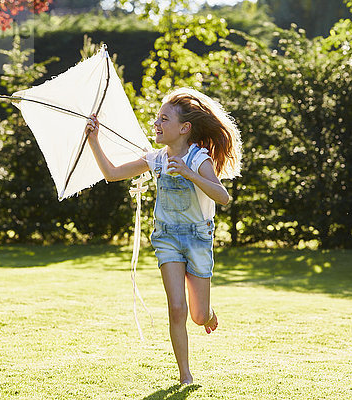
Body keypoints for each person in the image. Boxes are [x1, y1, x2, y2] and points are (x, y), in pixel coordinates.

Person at [84, 87, 242, 385]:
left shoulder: (198, 158)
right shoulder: (155, 159)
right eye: (157, 117)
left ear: (184, 128)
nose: (156, 123)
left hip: (197, 239)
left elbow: (223, 197)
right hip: (167, 238)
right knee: (176, 308)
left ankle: (208, 312)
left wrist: (189, 173)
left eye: (164, 119)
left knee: (197, 315)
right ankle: (185, 375)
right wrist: (94, 140)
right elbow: (111, 173)